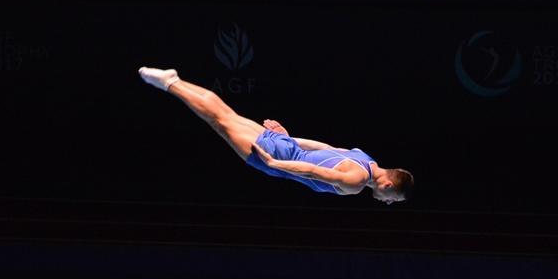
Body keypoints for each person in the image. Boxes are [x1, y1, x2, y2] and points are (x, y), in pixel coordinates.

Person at [137, 67, 413, 203]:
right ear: (389, 185)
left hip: (287, 147)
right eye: (392, 199)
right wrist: (274, 163)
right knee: (220, 122)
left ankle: (174, 80)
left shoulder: (365, 157)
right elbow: (312, 171)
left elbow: (325, 147)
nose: (387, 202)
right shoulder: (357, 182)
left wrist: (290, 139)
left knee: (227, 115)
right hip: (279, 157)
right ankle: (170, 84)